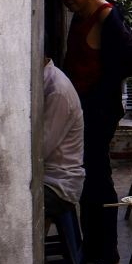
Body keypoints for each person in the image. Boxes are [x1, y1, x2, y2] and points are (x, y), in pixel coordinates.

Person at [59, 0, 132, 264]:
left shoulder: (106, 17)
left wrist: (101, 87)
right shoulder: (79, 17)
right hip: (80, 112)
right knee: (86, 180)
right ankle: (92, 251)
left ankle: (107, 256)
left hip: (98, 112)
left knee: (97, 180)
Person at [42, 58, 85, 220]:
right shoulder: (47, 80)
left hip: (58, 186)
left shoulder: (57, 90)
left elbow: (41, 150)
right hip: (51, 177)